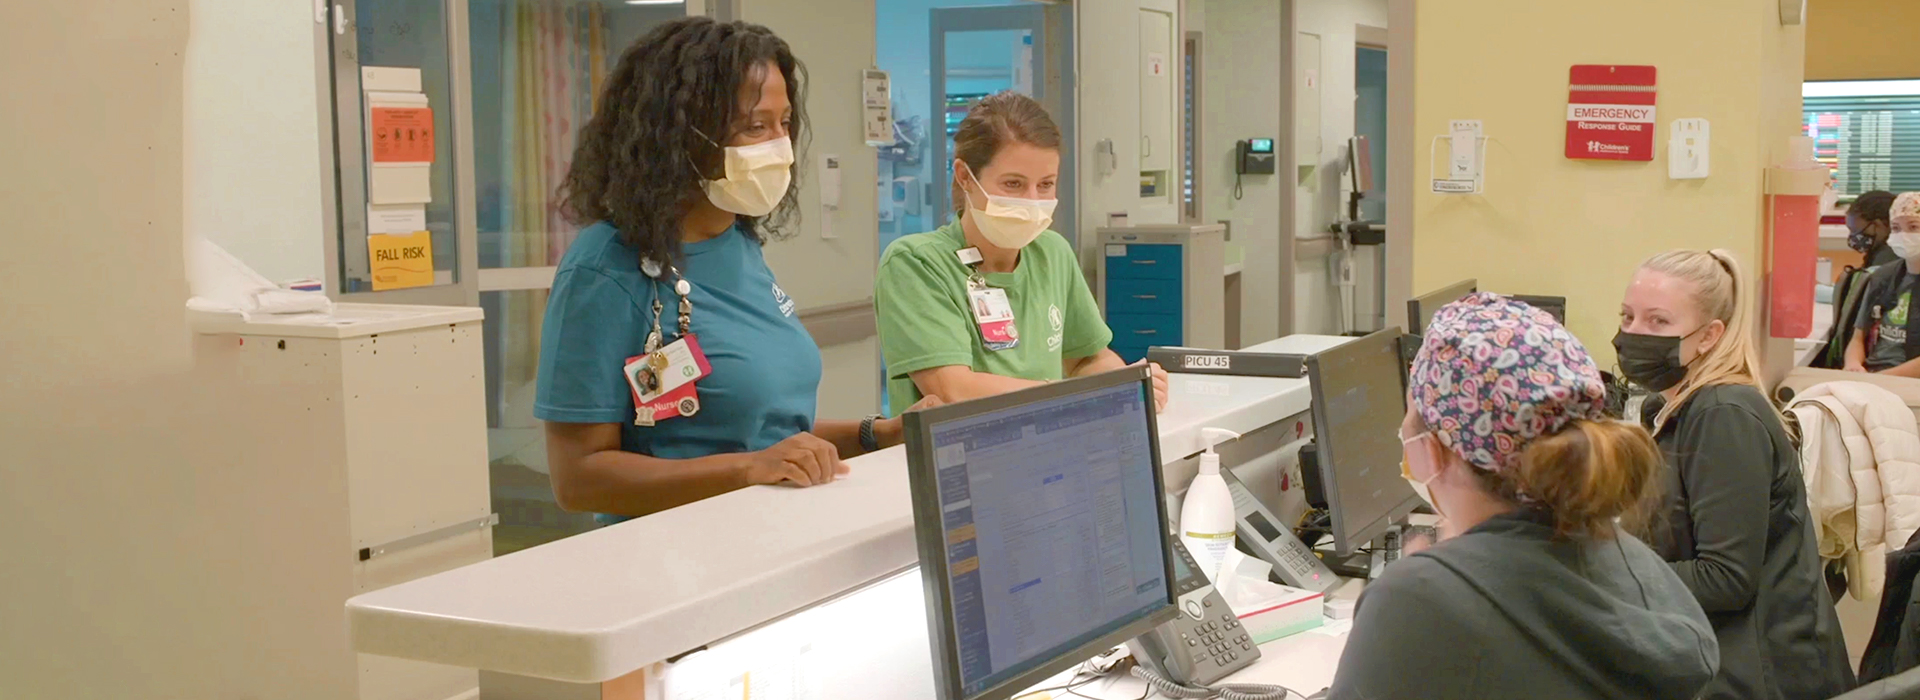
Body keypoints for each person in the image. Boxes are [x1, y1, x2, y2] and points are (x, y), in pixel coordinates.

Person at [535, 17, 933, 523]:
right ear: (678, 133)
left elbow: (763, 435)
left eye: (784, 123)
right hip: (674, 562)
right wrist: (745, 471)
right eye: (755, 125)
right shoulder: (604, 269)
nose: (779, 145)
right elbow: (579, 478)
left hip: (772, 536)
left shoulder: (737, 242)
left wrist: (876, 433)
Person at [1327, 293, 1718, 700]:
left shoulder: (1420, 596)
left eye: (1411, 416)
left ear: (1434, 447)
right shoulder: (1633, 563)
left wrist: (1418, 588)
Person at [1618, 249, 1856, 699]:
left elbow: (1724, 579)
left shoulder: (1723, 414)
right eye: (1627, 317)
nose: (1633, 334)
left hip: (1759, 674)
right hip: (1710, 651)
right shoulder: (1671, 405)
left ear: (1709, 336)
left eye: (1658, 322)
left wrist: (1602, 572)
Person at [874, 92, 1166, 415]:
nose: (1031, 200)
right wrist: (1077, 396)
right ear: (965, 177)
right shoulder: (917, 263)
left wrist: (1128, 384)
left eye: (1045, 185)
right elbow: (953, 389)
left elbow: (1087, 358)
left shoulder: (1052, 254)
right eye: (1013, 184)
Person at [1848, 192, 1920, 376]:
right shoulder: (1882, 276)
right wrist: (1853, 366)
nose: (1904, 235)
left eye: (1913, 227)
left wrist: (1880, 379)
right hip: (1872, 375)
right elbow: (1858, 338)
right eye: (1896, 228)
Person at [1849, 190, 1899, 269]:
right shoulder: (1879, 252)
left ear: (1878, 224)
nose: (1852, 236)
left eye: (1855, 230)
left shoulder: (1887, 259)